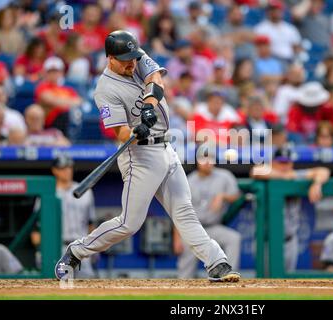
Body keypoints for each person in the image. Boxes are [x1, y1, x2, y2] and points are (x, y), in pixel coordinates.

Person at [54, 30, 240, 283]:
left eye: (133, 56)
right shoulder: (105, 90)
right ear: (110, 58)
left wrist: (149, 105)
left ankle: (215, 262)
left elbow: (156, 78)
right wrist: (136, 129)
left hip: (166, 147)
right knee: (129, 224)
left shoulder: (136, 57)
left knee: (185, 210)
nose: (132, 63)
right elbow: (119, 132)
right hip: (139, 154)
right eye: (125, 59)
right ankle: (76, 251)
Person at [251, 145, 331, 272]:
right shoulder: (268, 173)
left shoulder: (294, 175)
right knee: (265, 282)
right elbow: (256, 171)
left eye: (287, 162)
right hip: (266, 241)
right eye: (280, 162)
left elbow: (324, 171)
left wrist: (317, 183)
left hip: (289, 241)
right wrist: (285, 177)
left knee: (286, 283)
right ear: (272, 162)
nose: (284, 166)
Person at [173, 149, 241, 279]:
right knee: (185, 272)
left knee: (233, 238)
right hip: (192, 230)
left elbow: (236, 195)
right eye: (203, 158)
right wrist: (177, 238)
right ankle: (182, 292)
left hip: (213, 227)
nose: (207, 162)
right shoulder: (188, 180)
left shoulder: (224, 176)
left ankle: (230, 276)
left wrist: (223, 196)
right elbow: (178, 211)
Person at [31, 155, 96, 278]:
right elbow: (36, 229)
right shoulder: (47, 193)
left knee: (88, 287)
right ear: (55, 170)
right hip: (58, 248)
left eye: (69, 167)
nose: (67, 171)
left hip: (81, 247)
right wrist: (41, 251)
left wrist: (93, 248)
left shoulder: (85, 191)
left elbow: (90, 224)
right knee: (57, 288)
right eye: (63, 168)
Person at [35, 56, 83, 136]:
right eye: (51, 71)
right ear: (46, 73)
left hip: (66, 120)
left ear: (61, 72)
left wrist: (59, 101)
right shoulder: (42, 87)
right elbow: (49, 100)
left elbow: (79, 101)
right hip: (50, 122)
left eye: (56, 71)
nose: (54, 74)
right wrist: (67, 101)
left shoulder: (68, 89)